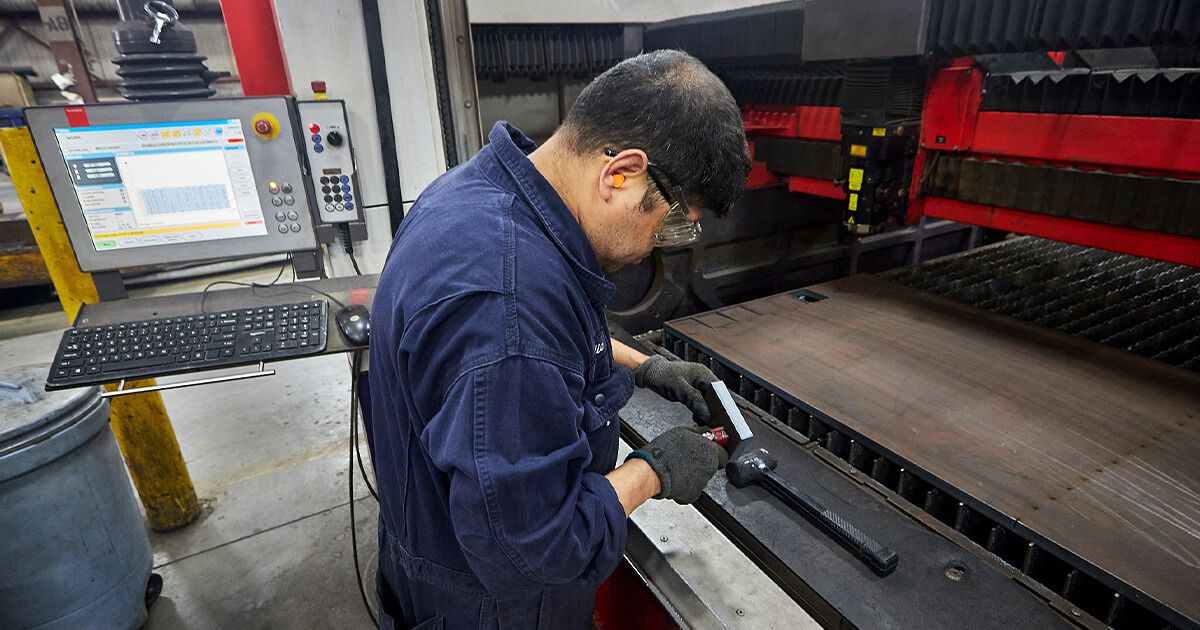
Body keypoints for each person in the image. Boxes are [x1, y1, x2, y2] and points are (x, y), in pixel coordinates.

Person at [368, 49, 751, 629]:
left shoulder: (479, 194)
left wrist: (644, 366)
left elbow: (549, 329)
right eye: (669, 222)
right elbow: (533, 550)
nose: (660, 243)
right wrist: (654, 468)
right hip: (492, 610)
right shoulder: (507, 304)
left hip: (428, 547)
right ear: (620, 173)